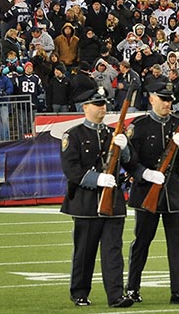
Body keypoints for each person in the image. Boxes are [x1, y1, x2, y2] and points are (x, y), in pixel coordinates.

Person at [59, 89, 134, 308]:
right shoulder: (73, 135)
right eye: (97, 104)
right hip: (86, 201)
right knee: (85, 251)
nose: (102, 108)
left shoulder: (113, 133)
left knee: (113, 251)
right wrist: (97, 179)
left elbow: (130, 162)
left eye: (103, 104)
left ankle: (116, 295)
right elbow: (71, 169)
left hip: (112, 201)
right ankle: (80, 292)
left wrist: (126, 149)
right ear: (85, 107)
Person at [125, 86, 179, 305]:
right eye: (163, 100)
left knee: (177, 245)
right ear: (152, 98)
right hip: (147, 190)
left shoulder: (178, 124)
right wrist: (145, 174)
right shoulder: (139, 126)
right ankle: (132, 288)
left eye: (170, 101)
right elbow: (129, 161)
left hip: (173, 189)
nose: (167, 104)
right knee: (142, 242)